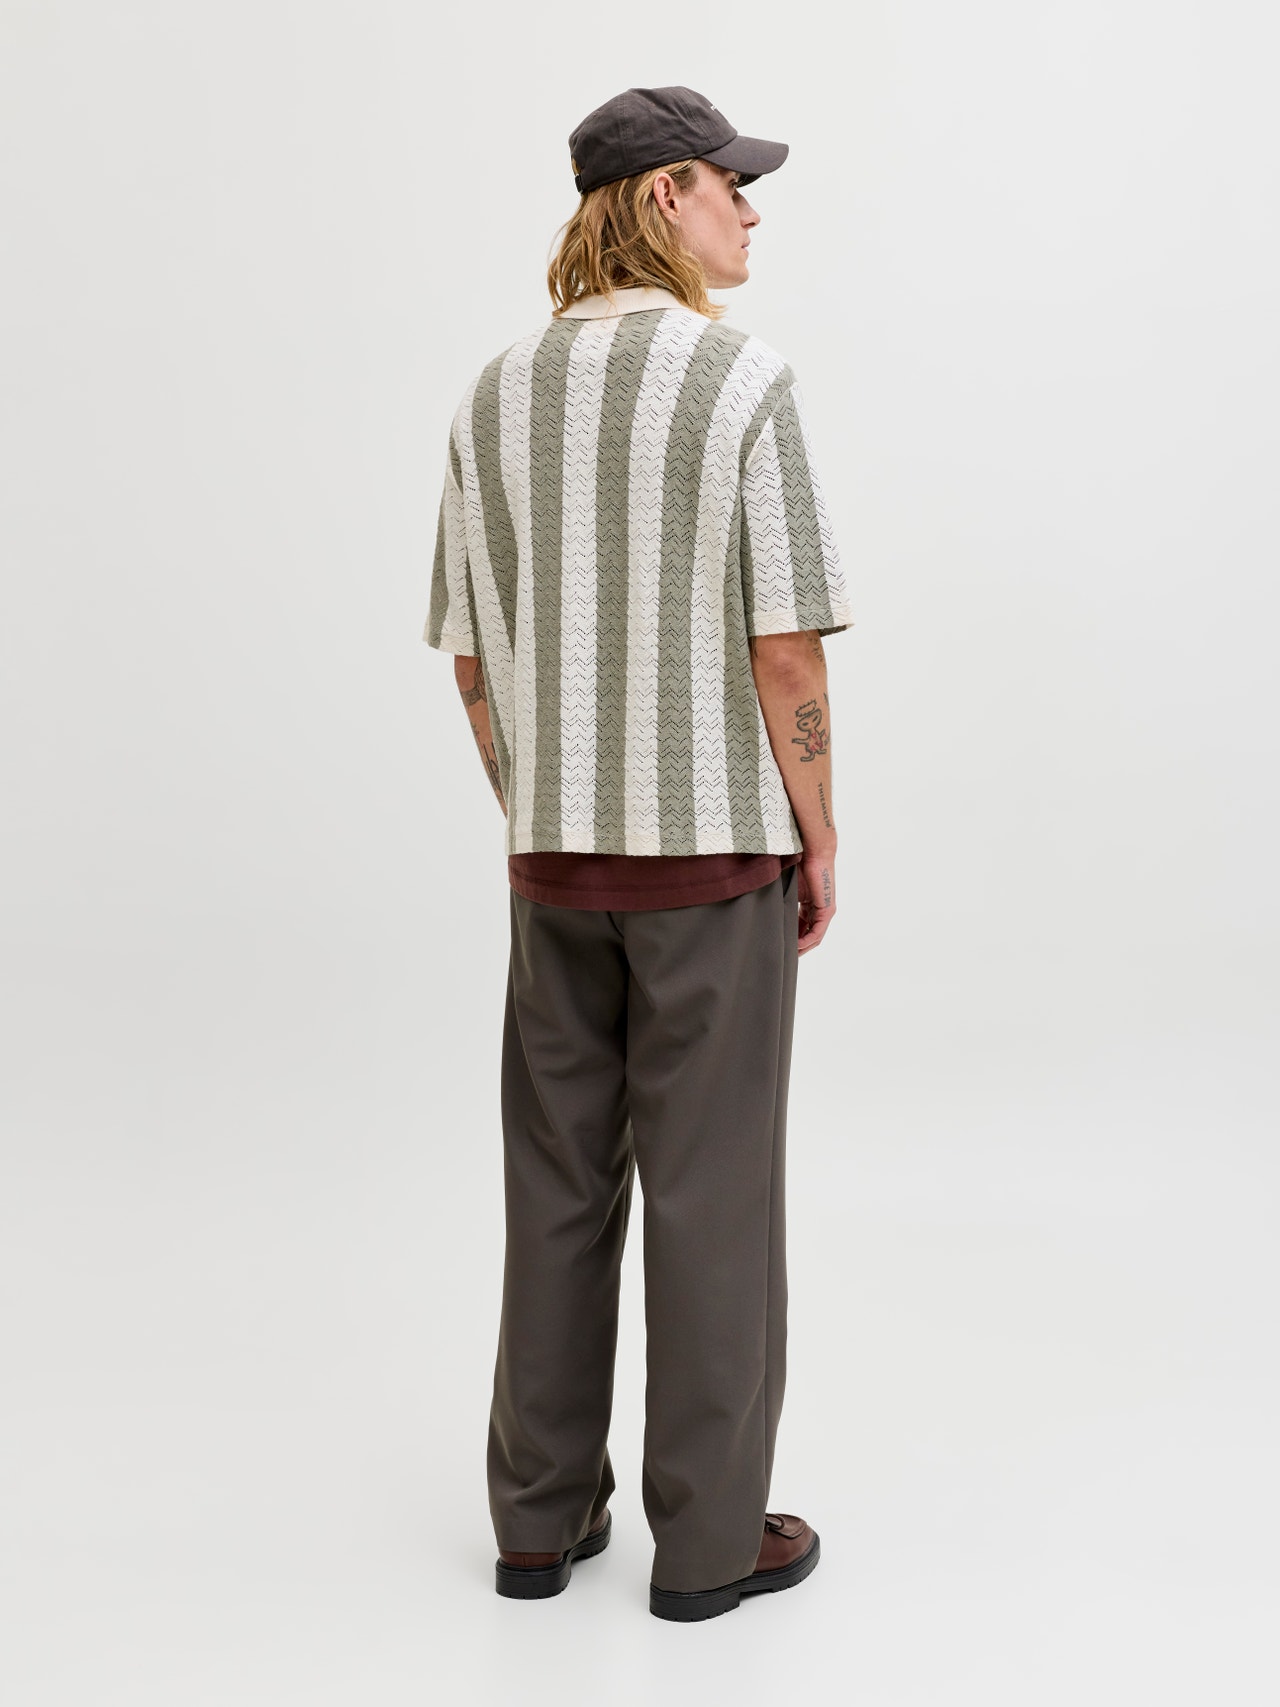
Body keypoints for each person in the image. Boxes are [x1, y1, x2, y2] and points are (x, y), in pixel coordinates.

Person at [423, 85, 853, 1623]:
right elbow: (785, 648)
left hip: (555, 868)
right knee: (711, 1200)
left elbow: (471, 662)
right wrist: (818, 833)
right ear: (665, 194)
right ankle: (711, 1546)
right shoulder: (742, 379)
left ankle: (536, 1525)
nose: (752, 209)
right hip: (711, 865)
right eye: (732, 184)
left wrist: (540, 808)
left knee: (556, 1191)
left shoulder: (493, 395)